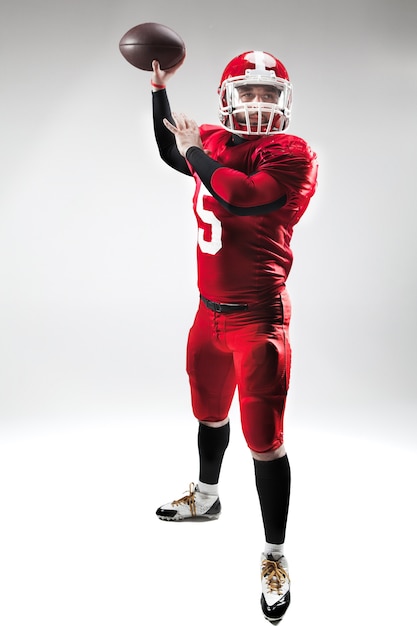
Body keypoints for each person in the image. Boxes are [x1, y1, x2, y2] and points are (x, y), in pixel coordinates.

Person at [149, 50, 318, 623]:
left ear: (284, 103)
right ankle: (206, 495)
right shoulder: (215, 143)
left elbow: (239, 195)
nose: (258, 103)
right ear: (229, 97)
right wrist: (158, 93)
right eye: (248, 93)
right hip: (207, 314)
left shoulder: (293, 155)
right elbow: (176, 153)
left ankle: (275, 555)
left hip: (258, 318)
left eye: (268, 95)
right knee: (209, 412)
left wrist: (197, 147)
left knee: (264, 439)